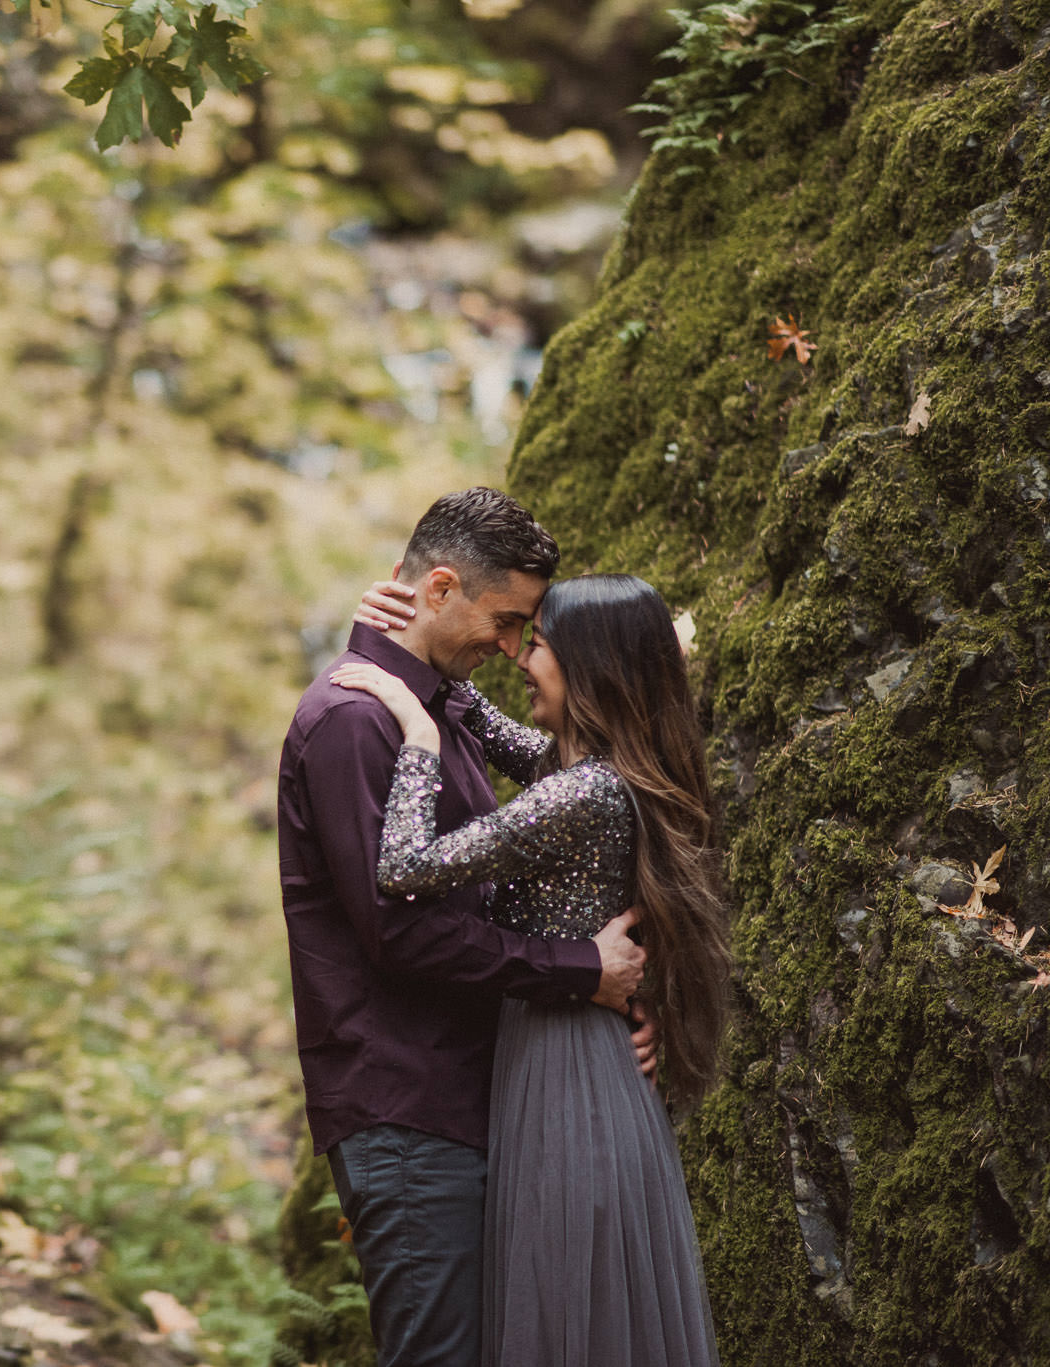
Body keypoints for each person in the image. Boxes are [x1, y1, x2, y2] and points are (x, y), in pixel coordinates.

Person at [276, 487, 654, 1367]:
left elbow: (601, 792)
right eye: (505, 619)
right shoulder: (353, 720)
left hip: (475, 1096)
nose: (514, 647)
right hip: (406, 1109)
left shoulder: (440, 704)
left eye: (529, 630)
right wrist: (579, 971)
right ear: (439, 587)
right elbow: (399, 933)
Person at [339, 569, 725, 1366]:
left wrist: (416, 739)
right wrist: (401, 635)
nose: (520, 658)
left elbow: (407, 864)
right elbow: (476, 712)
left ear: (591, 669)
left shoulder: (581, 791)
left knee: (563, 1302)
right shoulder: (581, 769)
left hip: (568, 1075)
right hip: (568, 1058)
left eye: (538, 645)